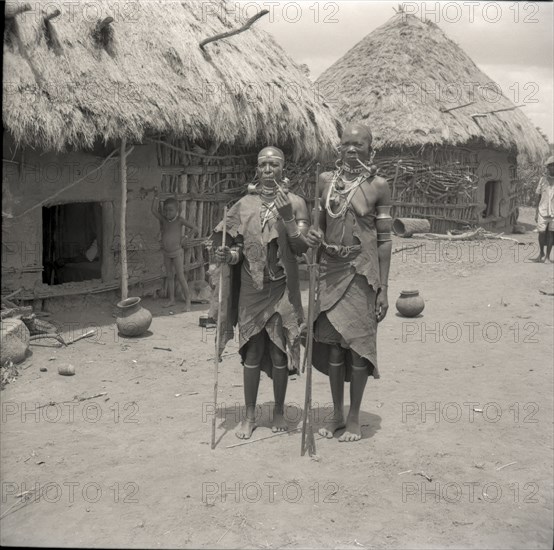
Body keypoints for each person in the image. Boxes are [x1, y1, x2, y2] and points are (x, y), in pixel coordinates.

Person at [211, 146, 310, 439]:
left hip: (282, 288)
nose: (268, 170)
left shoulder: (296, 202)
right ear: (257, 169)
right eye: (263, 165)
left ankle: (279, 411)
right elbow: (236, 248)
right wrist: (228, 255)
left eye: (274, 165)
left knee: (280, 352)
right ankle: (251, 415)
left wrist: (289, 218)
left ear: (283, 168)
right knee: (251, 352)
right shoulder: (243, 205)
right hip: (252, 290)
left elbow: (301, 247)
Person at [306, 122, 392, 443]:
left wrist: (383, 287)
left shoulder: (379, 186)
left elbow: (384, 240)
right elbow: (316, 226)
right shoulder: (325, 182)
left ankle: (354, 416)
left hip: (362, 274)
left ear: (371, 148)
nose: (352, 149)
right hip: (330, 272)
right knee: (332, 347)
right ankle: (337, 412)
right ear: (339, 147)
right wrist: (313, 236)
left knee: (357, 348)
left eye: (359, 144)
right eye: (346, 144)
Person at [151, 190, 198, 309]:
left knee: (181, 277)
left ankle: (188, 301)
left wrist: (185, 237)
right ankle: (172, 300)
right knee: (170, 276)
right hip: (166, 253)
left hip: (177, 253)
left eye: (170, 210)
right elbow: (153, 210)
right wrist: (156, 197)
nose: (167, 212)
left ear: (177, 211)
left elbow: (194, 228)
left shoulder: (179, 220)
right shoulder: (164, 220)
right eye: (166, 210)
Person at [531, 156, 554, 263]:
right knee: (541, 233)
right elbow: (538, 195)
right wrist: (536, 212)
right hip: (542, 211)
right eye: (550, 166)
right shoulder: (542, 180)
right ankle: (541, 253)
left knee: (551, 234)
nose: (551, 168)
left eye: (553, 166)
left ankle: (548, 256)